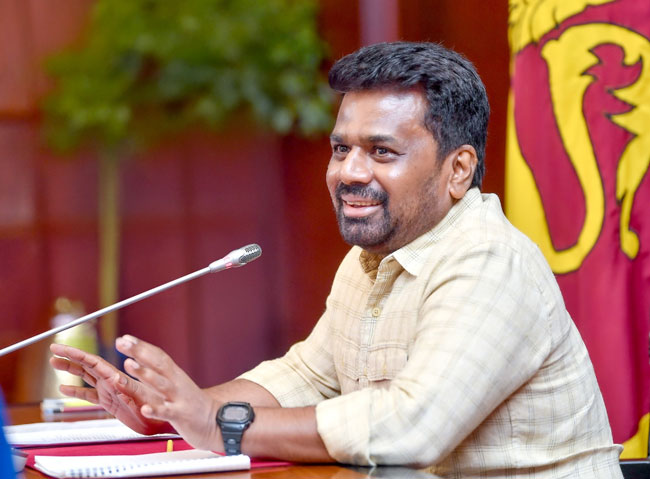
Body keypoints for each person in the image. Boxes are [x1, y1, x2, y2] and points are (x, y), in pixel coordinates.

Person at [50, 41, 623, 477]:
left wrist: (220, 425)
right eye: (341, 148)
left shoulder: (490, 262)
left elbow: (410, 428)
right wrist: (178, 410)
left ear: (458, 170)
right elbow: (308, 377)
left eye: (382, 151)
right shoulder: (373, 255)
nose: (349, 172)